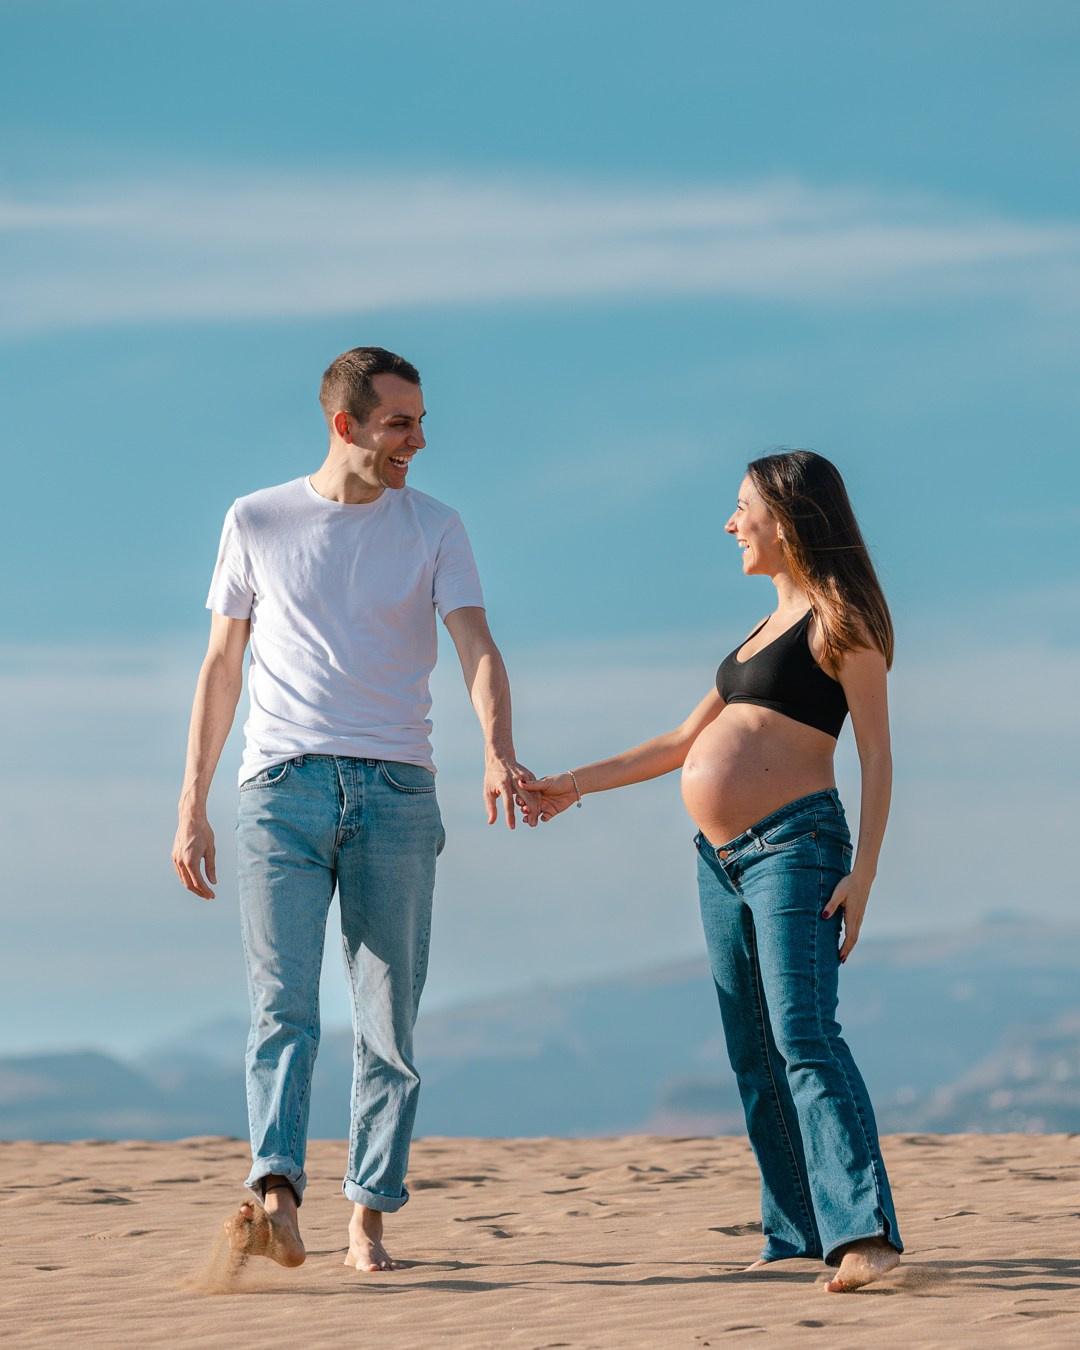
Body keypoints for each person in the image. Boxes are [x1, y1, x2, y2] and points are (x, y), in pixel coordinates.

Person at [171, 345, 535, 1273]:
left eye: (419, 420)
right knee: (281, 1006)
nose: (419, 439)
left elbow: (478, 647)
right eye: (400, 423)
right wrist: (191, 803)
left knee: (389, 1022)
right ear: (347, 425)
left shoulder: (437, 527)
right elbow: (222, 668)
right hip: (279, 790)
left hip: (398, 791)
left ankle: (367, 1216)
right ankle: (275, 1191)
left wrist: (496, 750)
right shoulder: (255, 519)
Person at [520, 450, 902, 1293]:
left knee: (804, 1037)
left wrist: (864, 873)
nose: (730, 525)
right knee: (753, 1053)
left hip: (798, 849)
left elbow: (875, 756)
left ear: (788, 516)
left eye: (741, 509)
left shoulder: (843, 625)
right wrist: (570, 785)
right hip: (721, 863)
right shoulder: (754, 637)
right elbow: (678, 745)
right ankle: (797, 1233)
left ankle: (865, 1234)